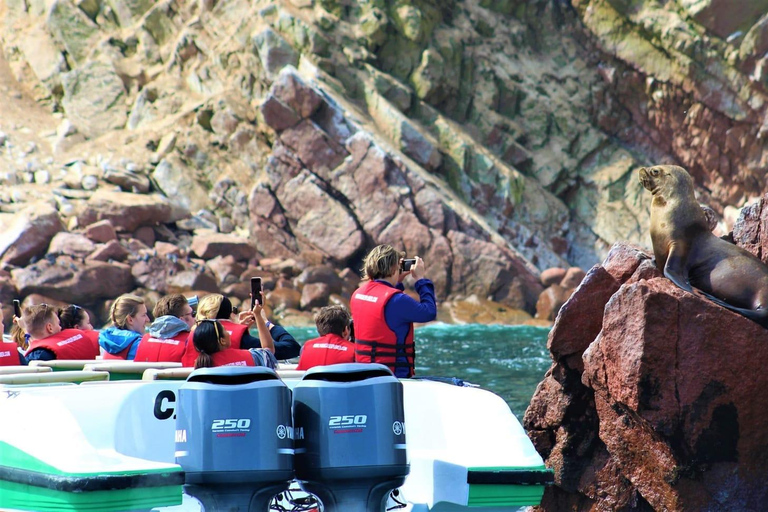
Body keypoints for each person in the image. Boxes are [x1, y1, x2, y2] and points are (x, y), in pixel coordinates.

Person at [350, 245, 437, 378]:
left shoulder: (358, 294)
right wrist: (420, 280)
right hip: (392, 375)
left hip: (363, 372)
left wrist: (397, 281)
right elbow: (429, 312)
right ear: (393, 268)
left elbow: (387, 308)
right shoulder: (397, 300)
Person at [189, 293, 300, 360]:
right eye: (234, 310)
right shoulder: (242, 340)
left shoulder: (191, 337)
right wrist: (265, 322)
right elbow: (291, 348)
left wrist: (240, 328)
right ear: (229, 314)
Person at [24, 304, 100, 361]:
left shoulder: (35, 356)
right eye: (58, 323)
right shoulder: (79, 338)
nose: (61, 327)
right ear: (49, 328)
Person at [191, 319, 277, 369]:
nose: (228, 333)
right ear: (222, 341)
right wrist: (259, 317)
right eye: (225, 330)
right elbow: (268, 351)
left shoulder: (200, 367)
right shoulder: (251, 356)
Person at [134, 294, 195, 363]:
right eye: (193, 314)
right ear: (181, 320)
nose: (195, 318)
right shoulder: (191, 340)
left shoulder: (144, 339)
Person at [297, 305, 355, 371]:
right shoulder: (353, 351)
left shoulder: (305, 347)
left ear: (318, 329)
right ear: (346, 330)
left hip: (311, 381)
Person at [99, 294, 150, 360]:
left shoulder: (105, 342)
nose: (148, 319)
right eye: (143, 315)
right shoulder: (141, 345)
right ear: (130, 320)